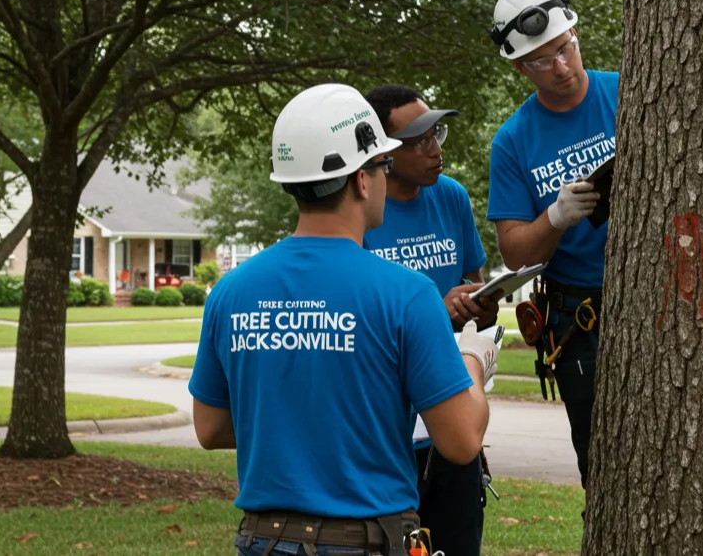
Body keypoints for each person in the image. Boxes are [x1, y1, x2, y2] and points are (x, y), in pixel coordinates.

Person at [188, 83, 500, 556]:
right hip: (364, 540)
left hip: (262, 541)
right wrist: (472, 358)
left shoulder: (231, 292)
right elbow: (459, 441)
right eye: (383, 165)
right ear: (360, 179)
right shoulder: (407, 295)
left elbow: (211, 428)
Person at [485, 0, 618, 496]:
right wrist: (555, 217)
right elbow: (516, 251)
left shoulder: (626, 90)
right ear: (520, 68)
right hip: (582, 317)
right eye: (542, 61)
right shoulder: (515, 141)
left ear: (575, 33)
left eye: (565, 48)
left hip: (659, 297)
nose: (561, 67)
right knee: (601, 459)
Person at [362, 84, 501, 556]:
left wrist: (478, 304)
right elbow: (357, 331)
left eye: (435, 132)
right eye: (417, 139)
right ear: (381, 150)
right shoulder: (359, 217)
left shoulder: (452, 198)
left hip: (451, 420)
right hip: (387, 437)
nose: (434, 149)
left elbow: (481, 306)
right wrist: (432, 312)